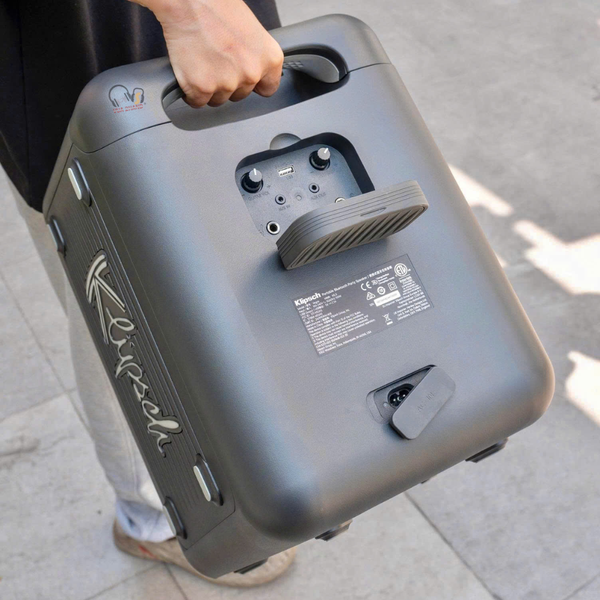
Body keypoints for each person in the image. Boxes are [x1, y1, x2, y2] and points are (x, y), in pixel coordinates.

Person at [0, 0, 295, 587]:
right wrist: (188, 10)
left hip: (219, 44)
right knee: (125, 329)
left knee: (231, 264)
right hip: (83, 48)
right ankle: (152, 516)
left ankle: (235, 455)